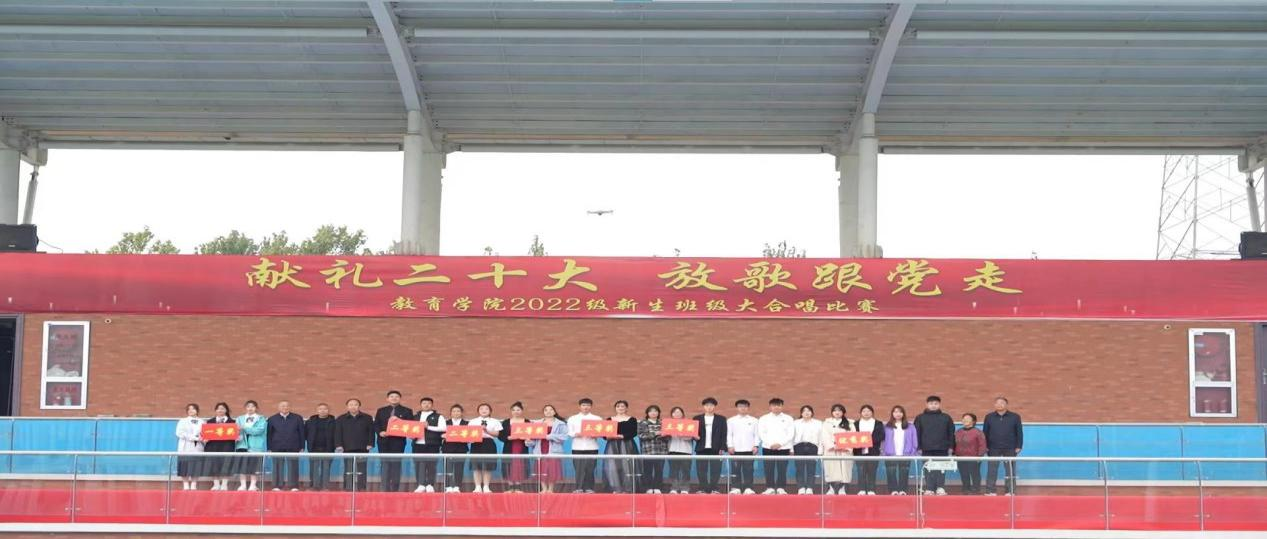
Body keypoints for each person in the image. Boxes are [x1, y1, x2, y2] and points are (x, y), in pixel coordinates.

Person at [913, 395, 956, 496]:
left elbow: (951, 433)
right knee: (928, 468)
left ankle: (940, 487)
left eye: (936, 403)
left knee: (941, 468)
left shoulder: (946, 417)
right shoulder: (920, 418)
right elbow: (917, 433)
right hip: (926, 449)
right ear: (927, 404)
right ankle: (929, 488)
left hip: (942, 448)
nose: (933, 405)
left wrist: (951, 447)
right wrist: (919, 447)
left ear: (939, 405)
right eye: (931, 403)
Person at [982, 396, 1023, 496]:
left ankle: (1010, 491)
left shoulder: (1015, 417)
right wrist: (985, 446)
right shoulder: (989, 417)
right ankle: (990, 490)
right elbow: (985, 432)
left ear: (1006, 405)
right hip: (993, 447)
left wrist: (1019, 446)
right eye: (997, 403)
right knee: (992, 470)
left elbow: (1019, 432)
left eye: (1002, 403)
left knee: (1010, 470)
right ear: (994, 405)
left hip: (1010, 447)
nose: (999, 405)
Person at [374, 390, 414, 492]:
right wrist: (380, 432)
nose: (394, 398)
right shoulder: (381, 410)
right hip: (383, 441)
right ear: (387, 399)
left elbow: (410, 425)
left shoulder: (407, 411)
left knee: (396, 464)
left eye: (396, 397)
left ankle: (395, 488)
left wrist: (399, 421)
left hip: (398, 442)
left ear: (400, 399)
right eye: (391, 397)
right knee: (385, 464)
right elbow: (376, 424)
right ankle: (385, 488)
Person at [333, 398, 375, 492]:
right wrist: (339, 445)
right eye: (351, 405)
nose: (353, 407)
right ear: (347, 407)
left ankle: (362, 488)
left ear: (359, 406)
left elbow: (371, 432)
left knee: (362, 469)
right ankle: (348, 487)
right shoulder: (341, 418)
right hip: (347, 447)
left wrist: (370, 443)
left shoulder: (367, 418)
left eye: (355, 404)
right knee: (348, 469)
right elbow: (337, 433)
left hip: (363, 448)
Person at [528, 404, 569, 493]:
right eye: (546, 410)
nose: (548, 411)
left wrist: (548, 436)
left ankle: (550, 489)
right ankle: (544, 488)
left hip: (553, 450)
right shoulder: (537, 423)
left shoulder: (561, 424)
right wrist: (528, 441)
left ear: (554, 412)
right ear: (543, 412)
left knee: (552, 470)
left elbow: (564, 437)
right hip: (540, 450)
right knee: (541, 470)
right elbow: (533, 440)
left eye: (551, 410)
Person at [757, 397, 795, 494]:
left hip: (784, 447)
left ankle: (781, 488)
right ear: (770, 407)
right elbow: (761, 433)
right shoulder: (764, 418)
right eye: (774, 405)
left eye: (779, 405)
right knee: (768, 468)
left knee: (782, 468)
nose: (776, 407)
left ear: (782, 406)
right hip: (768, 447)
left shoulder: (788, 418)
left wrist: (780, 444)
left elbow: (790, 434)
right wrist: (770, 444)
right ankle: (769, 487)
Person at [267, 400, 305, 491]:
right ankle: (277, 485)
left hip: (293, 445)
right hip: (276, 446)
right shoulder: (272, 419)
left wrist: (302, 446)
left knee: (293, 466)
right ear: (278, 407)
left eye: (287, 406)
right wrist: (269, 448)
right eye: (282, 406)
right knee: (277, 466)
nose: (285, 407)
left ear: (290, 407)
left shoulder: (297, 418)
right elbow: (269, 434)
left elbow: (302, 433)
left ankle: (293, 486)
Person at [567, 397, 602, 493]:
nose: (585, 407)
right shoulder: (573, 418)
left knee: (590, 468)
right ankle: (578, 488)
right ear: (579, 406)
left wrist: (596, 435)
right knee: (578, 469)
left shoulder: (597, 418)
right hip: (577, 447)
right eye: (583, 405)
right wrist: (576, 434)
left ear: (591, 407)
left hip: (592, 446)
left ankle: (589, 488)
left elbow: (601, 432)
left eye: (588, 405)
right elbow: (569, 432)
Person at [693, 397, 727, 494]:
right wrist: (695, 437)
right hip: (701, 448)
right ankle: (702, 488)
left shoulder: (721, 419)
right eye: (707, 405)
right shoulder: (697, 418)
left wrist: (722, 447)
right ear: (704, 407)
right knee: (701, 469)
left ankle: (714, 488)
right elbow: (693, 432)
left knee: (716, 469)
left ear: (714, 407)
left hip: (716, 448)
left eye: (711, 405)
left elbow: (724, 434)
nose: (709, 407)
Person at [604, 400, 640, 494]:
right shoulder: (609, 419)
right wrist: (607, 437)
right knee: (613, 466)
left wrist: (622, 436)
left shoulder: (632, 419)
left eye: (623, 406)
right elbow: (604, 434)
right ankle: (615, 488)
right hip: (612, 445)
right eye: (618, 406)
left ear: (626, 408)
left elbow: (633, 432)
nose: (620, 408)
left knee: (627, 466)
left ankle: (628, 488)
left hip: (627, 444)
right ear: (615, 408)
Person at [882, 405, 919, 495]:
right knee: (891, 473)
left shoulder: (910, 426)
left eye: (900, 412)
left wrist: (913, 452)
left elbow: (914, 440)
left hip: (906, 454)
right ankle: (893, 490)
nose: (898, 414)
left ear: (903, 414)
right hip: (890, 454)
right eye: (895, 412)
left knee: (904, 472)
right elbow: (883, 441)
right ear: (892, 414)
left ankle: (903, 490)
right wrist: (883, 452)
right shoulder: (887, 426)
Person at [819, 404, 855, 495]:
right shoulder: (826, 423)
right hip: (831, 450)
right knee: (831, 469)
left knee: (844, 470)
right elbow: (824, 436)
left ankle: (843, 488)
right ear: (832, 412)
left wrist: (844, 447)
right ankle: (831, 488)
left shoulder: (850, 423)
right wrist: (832, 446)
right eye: (835, 410)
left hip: (844, 451)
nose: (837, 412)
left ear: (843, 412)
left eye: (839, 410)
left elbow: (852, 436)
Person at [412, 397, 446, 493]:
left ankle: (430, 484)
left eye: (428, 403)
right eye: (424, 403)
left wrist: (428, 427)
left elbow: (443, 428)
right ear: (421, 405)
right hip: (417, 444)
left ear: (432, 405)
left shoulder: (438, 416)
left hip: (433, 444)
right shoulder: (415, 416)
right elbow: (410, 428)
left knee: (431, 465)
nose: (426, 405)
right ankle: (420, 484)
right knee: (418, 465)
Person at [727, 399, 759, 495]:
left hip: (749, 449)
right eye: (740, 406)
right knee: (735, 470)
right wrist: (730, 446)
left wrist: (756, 445)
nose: (743, 408)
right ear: (737, 408)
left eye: (745, 406)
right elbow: (729, 435)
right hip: (735, 450)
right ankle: (735, 487)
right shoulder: (731, 420)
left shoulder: (754, 420)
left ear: (748, 408)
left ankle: (748, 488)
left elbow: (757, 435)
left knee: (749, 470)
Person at [233, 400, 267, 491]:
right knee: (242, 466)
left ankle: (253, 485)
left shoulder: (261, 418)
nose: (250, 408)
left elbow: (259, 430)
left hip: (255, 445)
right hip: (242, 444)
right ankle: (243, 485)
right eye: (248, 406)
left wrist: (245, 428)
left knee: (254, 466)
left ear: (256, 408)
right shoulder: (240, 418)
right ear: (245, 408)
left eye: (252, 406)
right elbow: (235, 430)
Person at [469, 403, 503, 493]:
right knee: (476, 466)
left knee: (488, 466)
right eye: (481, 409)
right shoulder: (473, 421)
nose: (484, 410)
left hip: (489, 443)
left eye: (486, 409)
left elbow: (497, 434)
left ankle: (486, 486)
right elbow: (468, 433)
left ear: (490, 411)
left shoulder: (495, 421)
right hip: (476, 443)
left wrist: (486, 430)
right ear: (478, 411)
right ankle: (477, 487)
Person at [499, 401, 532, 493]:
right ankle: (510, 487)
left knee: (520, 465)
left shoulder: (527, 422)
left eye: (518, 410)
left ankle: (518, 487)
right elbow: (501, 435)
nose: (516, 412)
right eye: (513, 410)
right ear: (511, 411)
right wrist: (508, 437)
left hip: (521, 447)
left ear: (522, 411)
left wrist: (527, 438)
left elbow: (531, 434)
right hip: (509, 447)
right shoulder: (506, 422)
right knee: (508, 465)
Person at [853, 404, 885, 495]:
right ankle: (861, 489)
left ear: (872, 413)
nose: (866, 413)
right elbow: (852, 436)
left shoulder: (878, 423)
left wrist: (868, 441)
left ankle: (872, 489)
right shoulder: (855, 424)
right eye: (864, 411)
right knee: (860, 470)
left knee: (872, 470)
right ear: (861, 413)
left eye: (868, 411)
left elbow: (881, 436)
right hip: (859, 451)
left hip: (873, 451)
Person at [203, 402, 236, 491]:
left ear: (226, 410)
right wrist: (205, 438)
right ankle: (216, 484)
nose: (220, 410)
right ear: (215, 410)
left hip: (227, 446)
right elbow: (205, 435)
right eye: (218, 408)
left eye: (222, 408)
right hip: (212, 446)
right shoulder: (209, 422)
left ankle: (224, 484)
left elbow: (236, 436)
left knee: (226, 464)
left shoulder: (233, 422)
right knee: (214, 464)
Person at [791, 405, 823, 495]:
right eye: (804, 411)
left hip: (813, 446)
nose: (807, 412)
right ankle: (800, 487)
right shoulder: (795, 423)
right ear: (801, 413)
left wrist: (820, 451)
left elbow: (821, 437)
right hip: (798, 446)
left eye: (809, 410)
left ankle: (810, 487)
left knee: (811, 468)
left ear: (812, 413)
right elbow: (791, 436)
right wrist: (791, 449)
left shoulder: (818, 423)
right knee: (799, 468)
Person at [305, 403, 337, 491]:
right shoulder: (310, 422)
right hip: (314, 448)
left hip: (328, 448)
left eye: (325, 409)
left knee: (326, 468)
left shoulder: (334, 422)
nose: (323, 411)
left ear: (328, 410)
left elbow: (337, 434)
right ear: (317, 410)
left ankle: (325, 487)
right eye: (320, 409)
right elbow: (306, 434)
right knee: (313, 468)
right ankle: (314, 486)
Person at [637, 405, 667, 494]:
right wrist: (655, 434)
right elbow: (641, 435)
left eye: (655, 411)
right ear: (647, 413)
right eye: (651, 411)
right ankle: (648, 487)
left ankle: (658, 487)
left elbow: (668, 436)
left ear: (658, 413)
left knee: (659, 470)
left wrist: (664, 435)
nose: (653, 413)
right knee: (647, 470)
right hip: (648, 451)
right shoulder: (643, 423)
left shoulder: (663, 423)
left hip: (661, 451)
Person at [955, 413, 987, 495]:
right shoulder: (958, 431)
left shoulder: (978, 432)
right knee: (964, 473)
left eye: (968, 418)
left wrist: (979, 456)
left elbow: (982, 445)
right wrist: (954, 454)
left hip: (974, 457)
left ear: (973, 421)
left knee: (975, 474)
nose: (965, 420)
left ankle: (976, 489)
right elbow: (954, 443)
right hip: (960, 457)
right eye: (964, 418)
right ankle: (966, 488)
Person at [665, 406, 694, 494]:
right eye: (675, 412)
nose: (677, 414)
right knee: (673, 470)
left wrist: (679, 433)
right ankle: (674, 487)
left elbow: (690, 437)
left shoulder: (688, 423)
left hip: (686, 450)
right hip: (672, 450)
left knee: (686, 470)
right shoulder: (668, 425)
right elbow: (665, 438)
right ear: (672, 415)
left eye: (679, 412)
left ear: (682, 414)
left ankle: (685, 488)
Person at [442, 404, 470, 493]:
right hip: (447, 448)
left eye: (458, 411)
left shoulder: (467, 424)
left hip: (461, 449)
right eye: (454, 411)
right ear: (450, 413)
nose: (456, 413)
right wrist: (442, 436)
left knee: (459, 468)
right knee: (447, 468)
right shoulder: (445, 423)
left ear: (462, 413)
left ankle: (457, 486)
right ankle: (448, 486)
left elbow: (470, 436)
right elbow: (439, 434)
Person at [175, 403, 204, 490]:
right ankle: (186, 484)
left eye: (193, 409)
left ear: (197, 410)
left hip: (197, 446)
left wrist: (200, 438)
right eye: (189, 409)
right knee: (184, 465)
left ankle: (194, 483)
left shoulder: (202, 422)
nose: (191, 410)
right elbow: (179, 433)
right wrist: (193, 437)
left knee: (196, 465)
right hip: (185, 446)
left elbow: (204, 434)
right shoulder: (182, 421)